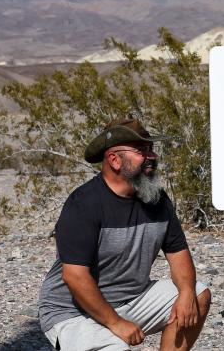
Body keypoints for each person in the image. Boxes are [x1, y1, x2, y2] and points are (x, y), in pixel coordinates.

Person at [38, 118, 211, 350]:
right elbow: (74, 276)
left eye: (151, 149)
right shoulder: (84, 203)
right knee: (115, 347)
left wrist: (187, 292)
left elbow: (178, 253)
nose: (152, 156)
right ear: (114, 160)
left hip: (131, 299)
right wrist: (116, 323)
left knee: (198, 297)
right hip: (72, 311)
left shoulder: (157, 200)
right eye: (141, 150)